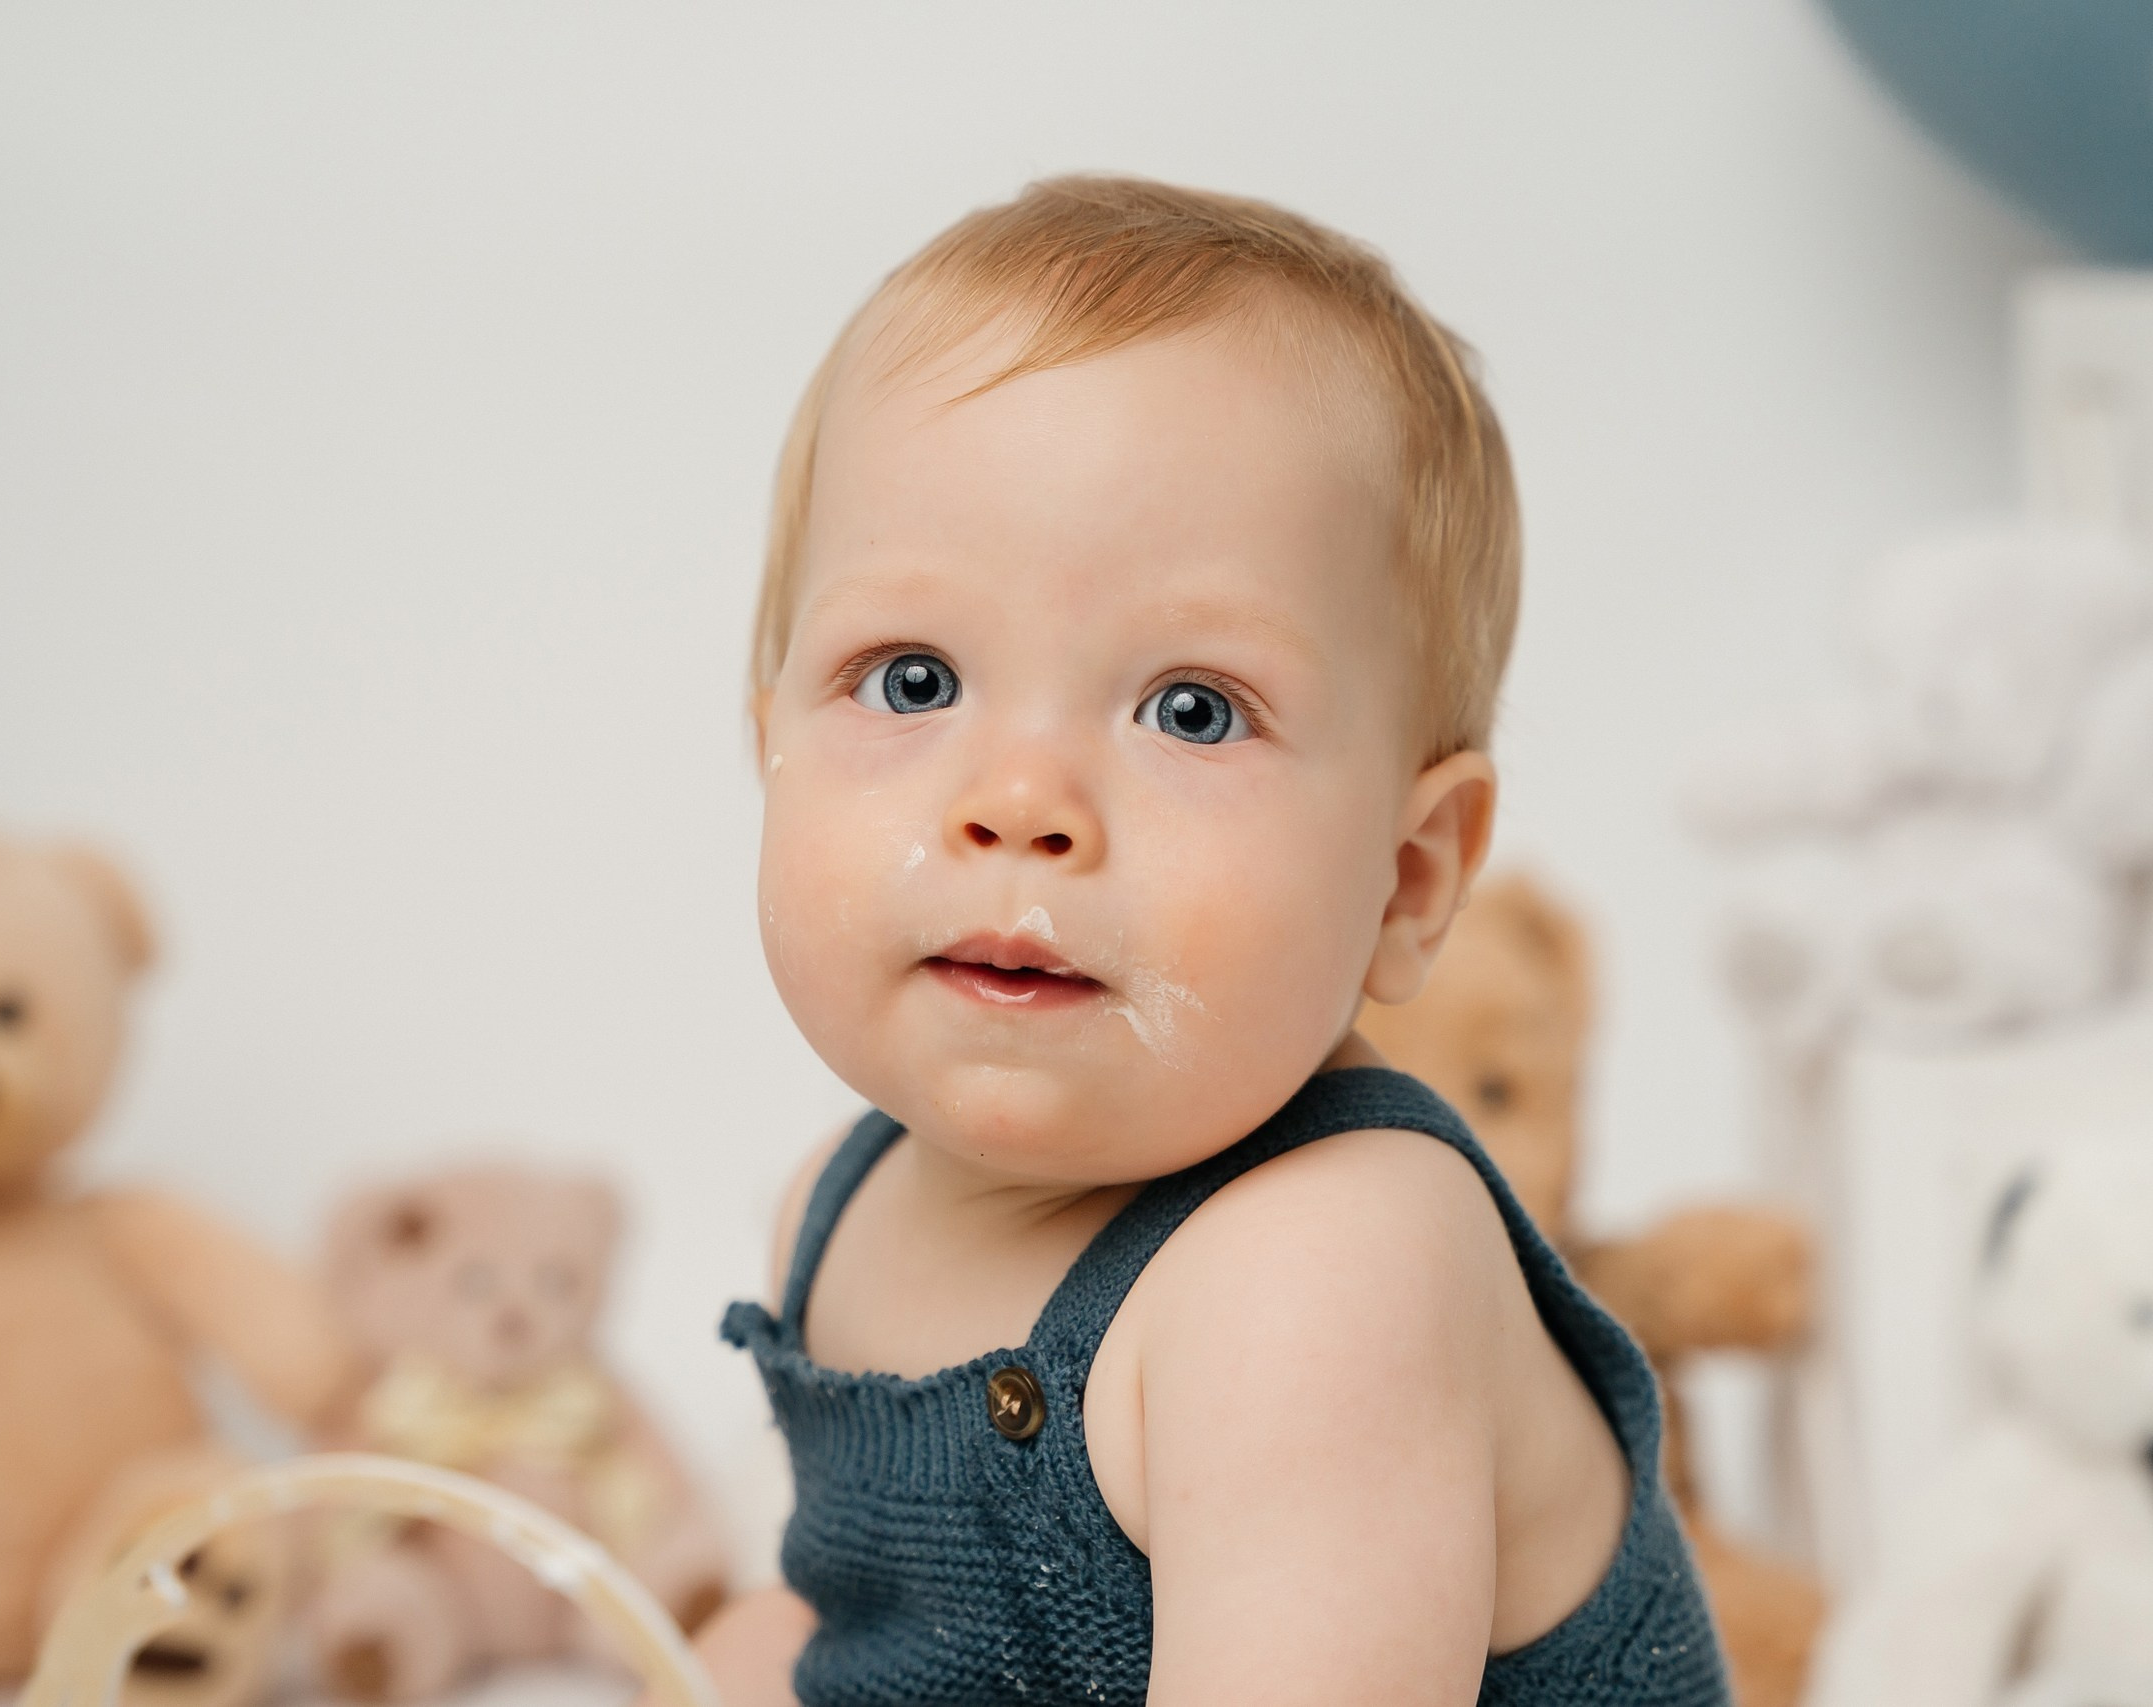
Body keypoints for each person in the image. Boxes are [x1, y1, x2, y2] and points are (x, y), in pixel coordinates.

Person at [696, 175, 1725, 1706]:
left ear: (1408, 877)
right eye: (912, 680)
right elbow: (877, 1630)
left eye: (1192, 710)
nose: (1020, 805)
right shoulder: (833, 1213)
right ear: (766, 741)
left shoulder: (1324, 1271)